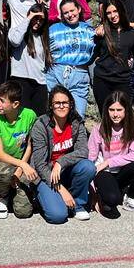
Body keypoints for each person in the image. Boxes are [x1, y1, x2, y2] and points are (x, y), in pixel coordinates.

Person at [29, 86, 96, 224]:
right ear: (51, 106)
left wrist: (61, 162)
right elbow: (40, 166)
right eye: (57, 103)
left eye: (65, 103)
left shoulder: (76, 122)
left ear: (71, 104)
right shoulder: (41, 125)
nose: (61, 106)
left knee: (88, 167)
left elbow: (83, 151)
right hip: (45, 175)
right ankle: (45, 197)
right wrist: (61, 189)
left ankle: (77, 204)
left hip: (64, 171)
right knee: (58, 216)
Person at [88, 91, 134, 219]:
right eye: (112, 110)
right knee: (112, 202)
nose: (115, 114)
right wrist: (92, 188)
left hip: (122, 172)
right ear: (106, 110)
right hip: (104, 172)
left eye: (119, 110)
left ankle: (130, 195)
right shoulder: (98, 129)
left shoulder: (131, 128)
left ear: (126, 110)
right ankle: (106, 194)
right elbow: (91, 158)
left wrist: (109, 161)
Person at [0, 81, 38, 219]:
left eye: (2, 101)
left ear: (15, 104)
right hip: (2, 163)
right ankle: (1, 195)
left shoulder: (29, 115)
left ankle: (16, 192)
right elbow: (0, 155)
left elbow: (30, 145)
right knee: (6, 172)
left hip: (22, 161)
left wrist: (21, 168)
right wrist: (22, 165)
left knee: (23, 213)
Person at [46, 0, 96, 118]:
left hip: (79, 75)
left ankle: (76, 137)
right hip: (56, 75)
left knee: (78, 116)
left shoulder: (89, 30)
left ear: (79, 9)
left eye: (72, 10)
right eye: (66, 12)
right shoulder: (52, 29)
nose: (70, 15)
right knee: (56, 116)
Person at [92, 0, 134, 111]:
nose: (112, 16)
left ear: (121, 10)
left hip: (123, 80)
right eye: (108, 13)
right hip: (102, 80)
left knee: (123, 117)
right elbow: (95, 54)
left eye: (115, 11)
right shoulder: (102, 33)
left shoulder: (132, 34)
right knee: (105, 116)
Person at [7, 2, 50, 115]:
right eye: (35, 18)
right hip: (21, 80)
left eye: (41, 20)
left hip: (39, 82)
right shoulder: (17, 32)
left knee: (39, 118)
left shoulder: (43, 36)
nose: (38, 22)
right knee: (22, 118)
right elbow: (15, 41)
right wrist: (29, 18)